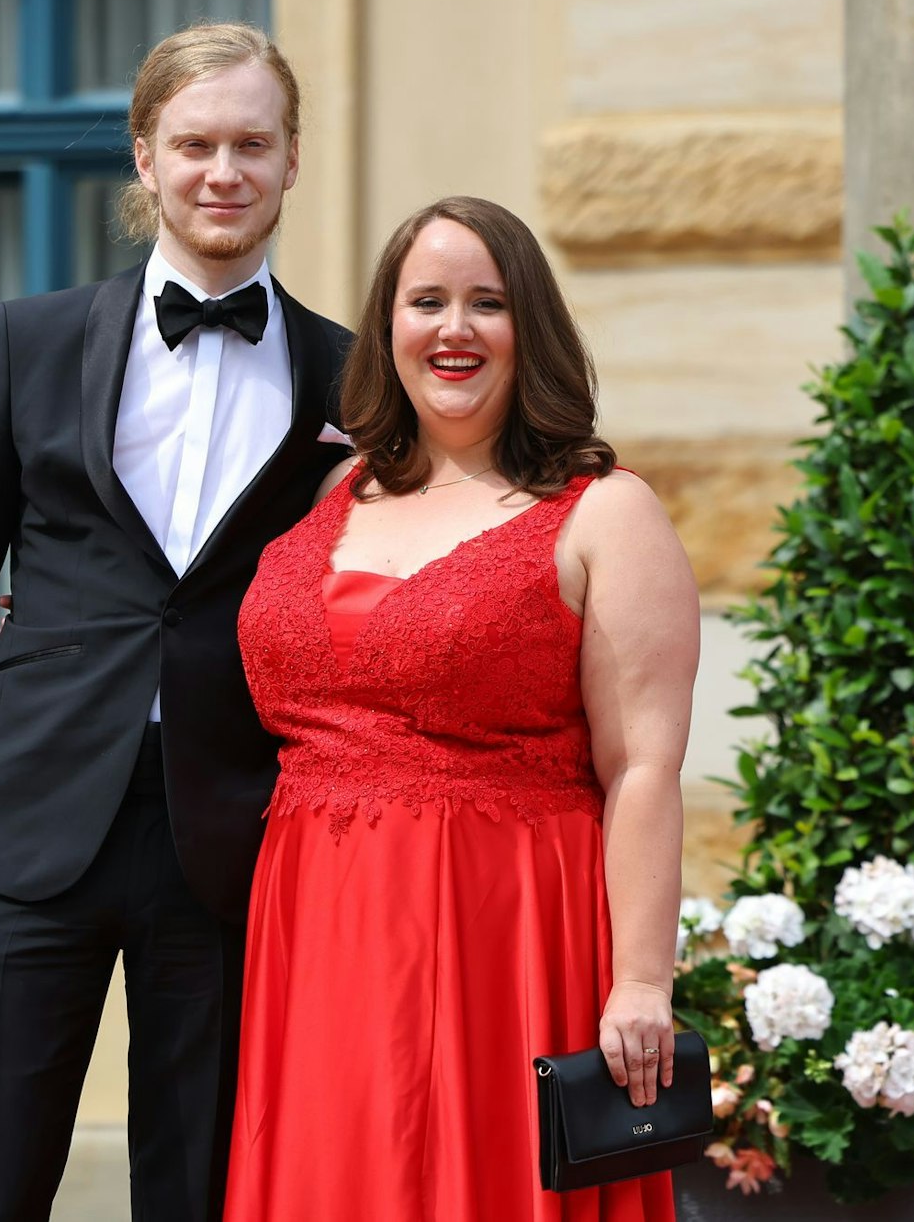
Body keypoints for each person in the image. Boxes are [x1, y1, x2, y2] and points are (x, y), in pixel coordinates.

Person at [0, 23, 353, 1222]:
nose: (222, 171)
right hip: (26, 832)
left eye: (252, 142)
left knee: (198, 1194)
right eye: (194, 143)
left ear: (292, 161)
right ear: (144, 157)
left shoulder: (348, 377)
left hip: (233, 839)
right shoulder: (27, 341)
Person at [222, 196, 698, 1222]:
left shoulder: (603, 508)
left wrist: (641, 981)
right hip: (313, 928)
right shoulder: (335, 490)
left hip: (502, 926)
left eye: (486, 302)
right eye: (425, 300)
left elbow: (644, 766)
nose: (452, 328)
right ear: (385, 324)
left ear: (531, 328)